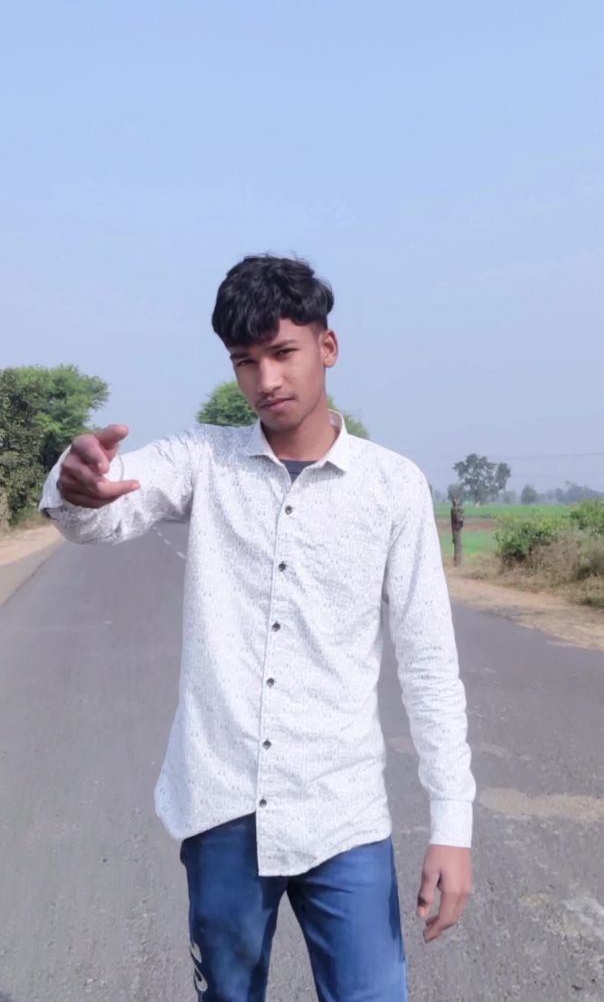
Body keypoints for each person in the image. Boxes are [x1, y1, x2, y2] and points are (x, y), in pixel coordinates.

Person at [40, 255, 475, 1002]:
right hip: (222, 810)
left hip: (342, 814)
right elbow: (103, 515)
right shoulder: (203, 460)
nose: (266, 379)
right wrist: (72, 487)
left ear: (327, 347)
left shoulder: (393, 487)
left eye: (282, 352)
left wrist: (452, 826)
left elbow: (429, 662)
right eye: (245, 361)